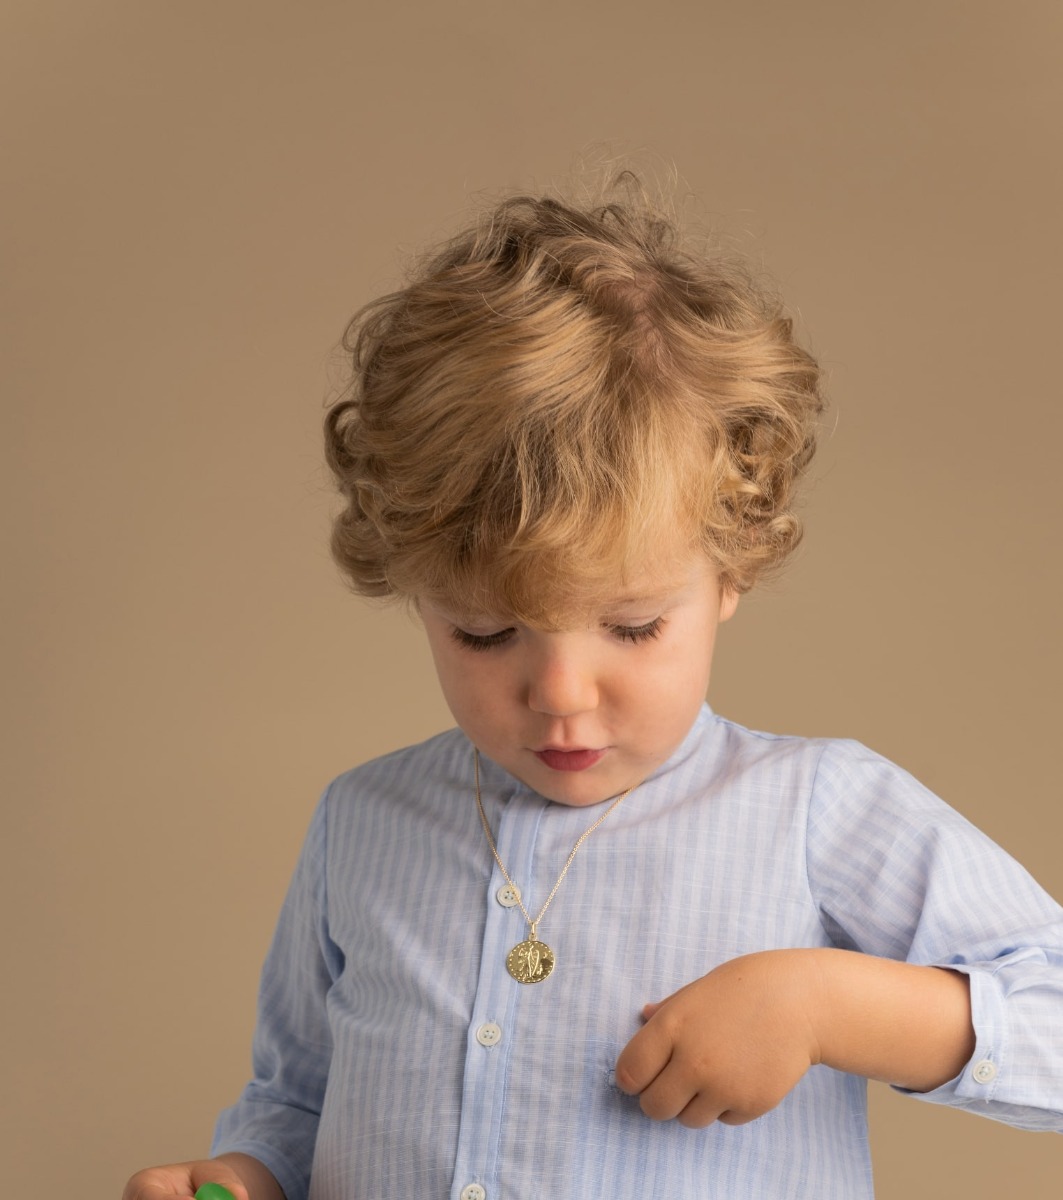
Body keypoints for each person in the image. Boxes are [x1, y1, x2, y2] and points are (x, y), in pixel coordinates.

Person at [123, 183, 1063, 1200]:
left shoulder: (816, 812)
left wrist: (829, 1004)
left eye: (631, 627)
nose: (562, 695)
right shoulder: (361, 822)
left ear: (731, 571)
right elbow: (296, 1099)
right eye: (484, 633)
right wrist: (243, 1176)